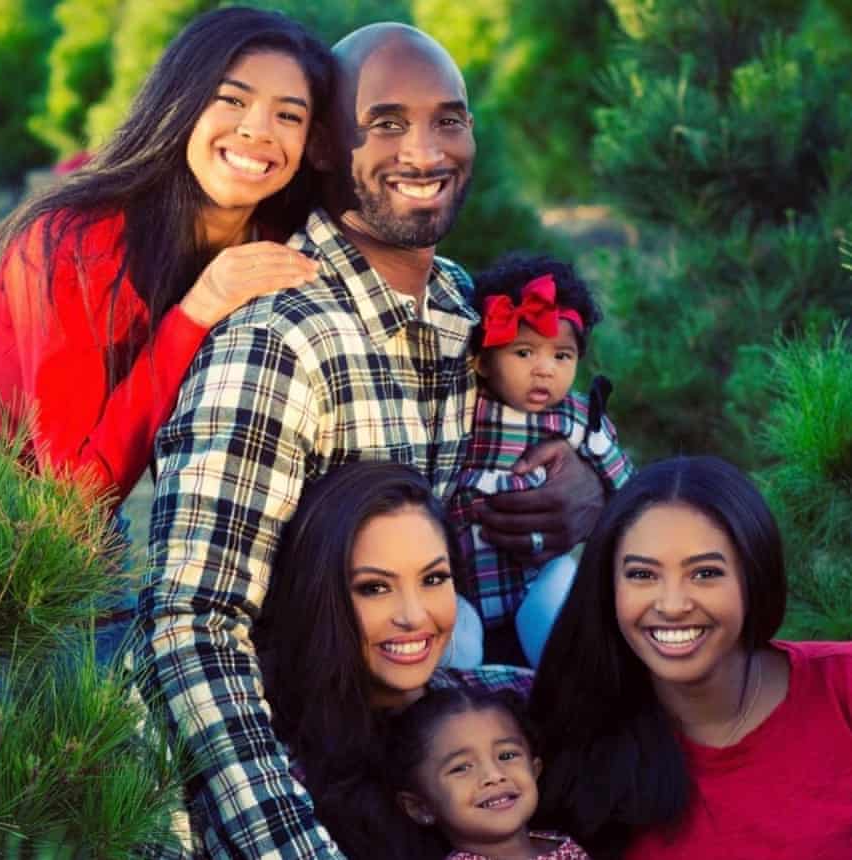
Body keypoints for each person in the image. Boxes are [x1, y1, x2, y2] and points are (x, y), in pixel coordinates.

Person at [135, 22, 604, 858]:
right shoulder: (280, 340)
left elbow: (542, 465)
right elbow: (190, 626)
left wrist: (589, 490)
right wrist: (292, 846)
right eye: (385, 122)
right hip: (308, 782)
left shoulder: (468, 311)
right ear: (322, 146)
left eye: (449, 119)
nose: (424, 150)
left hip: (440, 767)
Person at [0, 7, 328, 507]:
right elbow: (76, 498)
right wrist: (197, 311)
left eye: (288, 115)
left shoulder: (270, 242)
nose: (258, 130)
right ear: (181, 102)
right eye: (231, 99)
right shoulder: (80, 243)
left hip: (52, 523)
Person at [529, 455, 852, 860]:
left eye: (705, 573)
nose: (673, 604)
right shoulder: (573, 744)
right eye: (642, 575)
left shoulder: (842, 685)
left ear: (753, 577)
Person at [257, 461, 534, 860]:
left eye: (433, 579)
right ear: (319, 598)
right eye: (374, 587)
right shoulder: (276, 772)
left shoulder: (513, 698)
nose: (414, 615)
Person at [449, 254, 633, 667]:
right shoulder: (462, 409)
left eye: (561, 356)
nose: (544, 371)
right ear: (481, 360)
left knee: (559, 610)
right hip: (463, 578)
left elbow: (622, 480)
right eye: (524, 352)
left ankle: (563, 682)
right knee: (456, 644)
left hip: (535, 576)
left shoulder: (574, 418)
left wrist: (613, 497)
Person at [389, 687, 590, 860]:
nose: (494, 775)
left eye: (507, 755)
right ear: (420, 807)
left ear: (534, 770)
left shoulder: (560, 843)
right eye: (461, 768)